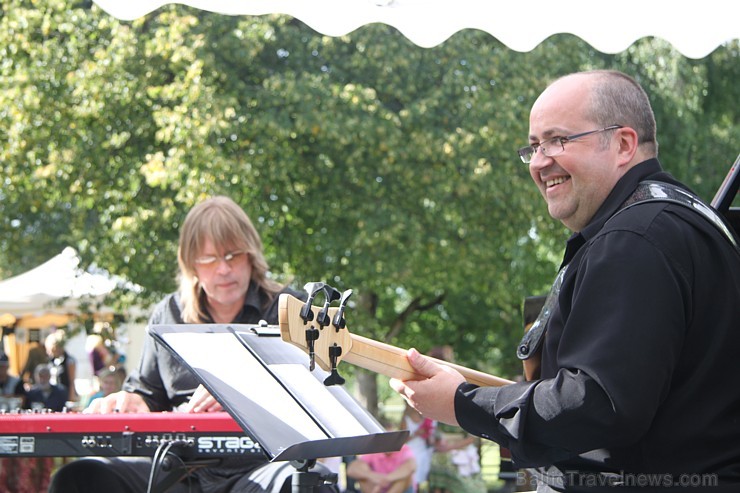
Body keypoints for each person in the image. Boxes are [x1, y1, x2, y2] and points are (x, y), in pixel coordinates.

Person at [391, 70, 740, 492]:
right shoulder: (678, 218)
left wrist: (463, 405)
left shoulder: (633, 238)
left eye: (558, 140)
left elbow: (597, 406)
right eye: (534, 146)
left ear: (624, 144)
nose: (539, 161)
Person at [49, 196, 337, 493]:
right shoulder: (167, 314)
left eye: (233, 255)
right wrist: (131, 401)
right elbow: (147, 393)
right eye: (209, 259)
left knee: (303, 485)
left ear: (251, 255)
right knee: (79, 477)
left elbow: (319, 395)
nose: (223, 269)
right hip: (178, 469)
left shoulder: (292, 309)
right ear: (191, 265)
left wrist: (240, 391)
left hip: (263, 466)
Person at [346, 418, 416, 493]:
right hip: (377, 487)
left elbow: (411, 466)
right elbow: (351, 469)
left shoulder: (404, 448)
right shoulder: (374, 449)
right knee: (362, 471)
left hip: (397, 488)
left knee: (405, 477)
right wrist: (373, 476)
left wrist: (387, 479)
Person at [45, 329, 77, 402]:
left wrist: (71, 399)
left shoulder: (69, 361)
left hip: (65, 394)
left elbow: (71, 381)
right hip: (53, 395)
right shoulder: (50, 361)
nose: (49, 352)